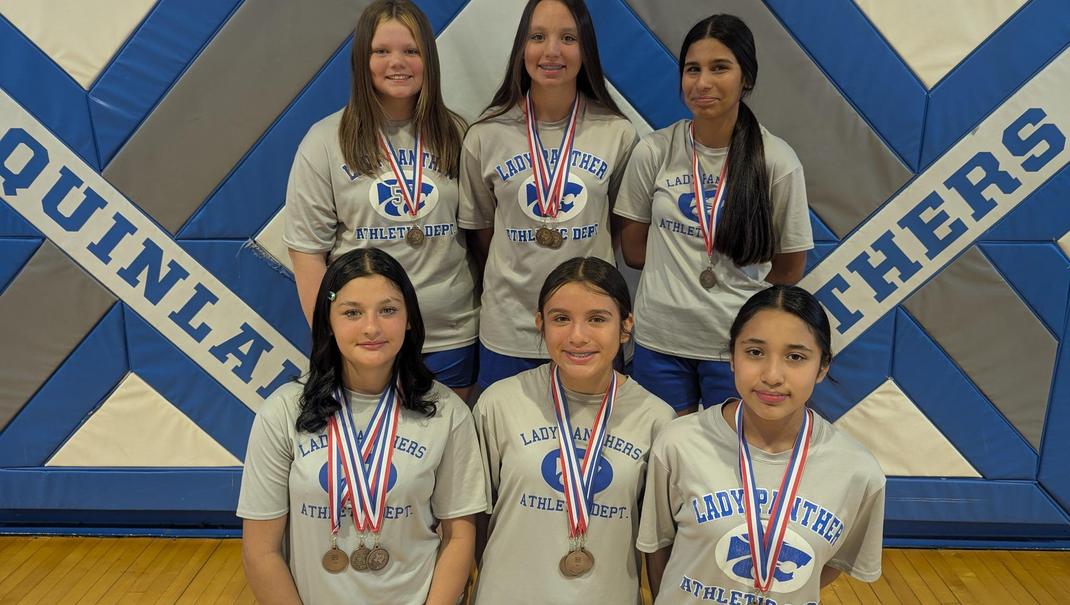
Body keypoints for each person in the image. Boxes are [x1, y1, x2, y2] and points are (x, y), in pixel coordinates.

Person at [238, 248, 485, 605]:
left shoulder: (447, 412)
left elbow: (460, 538)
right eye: (352, 312)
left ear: (409, 319)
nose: (372, 327)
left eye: (388, 310)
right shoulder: (284, 412)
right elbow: (261, 551)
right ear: (328, 321)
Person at [614, 14, 814, 415]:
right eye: (692, 69)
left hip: (737, 346)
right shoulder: (654, 152)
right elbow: (634, 250)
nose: (702, 82)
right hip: (660, 345)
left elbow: (789, 269)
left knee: (728, 463)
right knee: (664, 461)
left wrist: (730, 291)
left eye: (719, 68)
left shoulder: (776, 161)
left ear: (747, 78)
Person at [638, 285, 885, 604]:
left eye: (795, 357)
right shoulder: (678, 444)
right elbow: (658, 547)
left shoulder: (859, 472)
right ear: (732, 356)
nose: (772, 375)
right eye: (755, 352)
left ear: (823, 366)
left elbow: (832, 565)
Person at [284, 0, 479, 398]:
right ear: (362, 61)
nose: (398, 62)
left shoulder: (460, 133)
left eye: (411, 50)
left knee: (448, 454)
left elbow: (480, 236)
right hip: (367, 340)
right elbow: (307, 256)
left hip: (451, 333)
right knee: (378, 457)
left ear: (429, 58)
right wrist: (333, 336)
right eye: (382, 51)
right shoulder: (324, 141)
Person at [472, 257, 676, 604]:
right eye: (561, 319)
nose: (577, 336)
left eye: (597, 319)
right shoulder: (500, 403)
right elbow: (474, 520)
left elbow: (657, 544)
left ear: (626, 326)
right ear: (541, 324)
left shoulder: (657, 418)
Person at [459, 0, 638, 389]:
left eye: (568, 38)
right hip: (509, 330)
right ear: (521, 47)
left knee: (593, 448)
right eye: (538, 37)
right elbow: (482, 232)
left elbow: (617, 223)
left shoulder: (617, 132)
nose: (552, 50)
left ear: (586, 49)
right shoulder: (485, 135)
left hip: (590, 332)